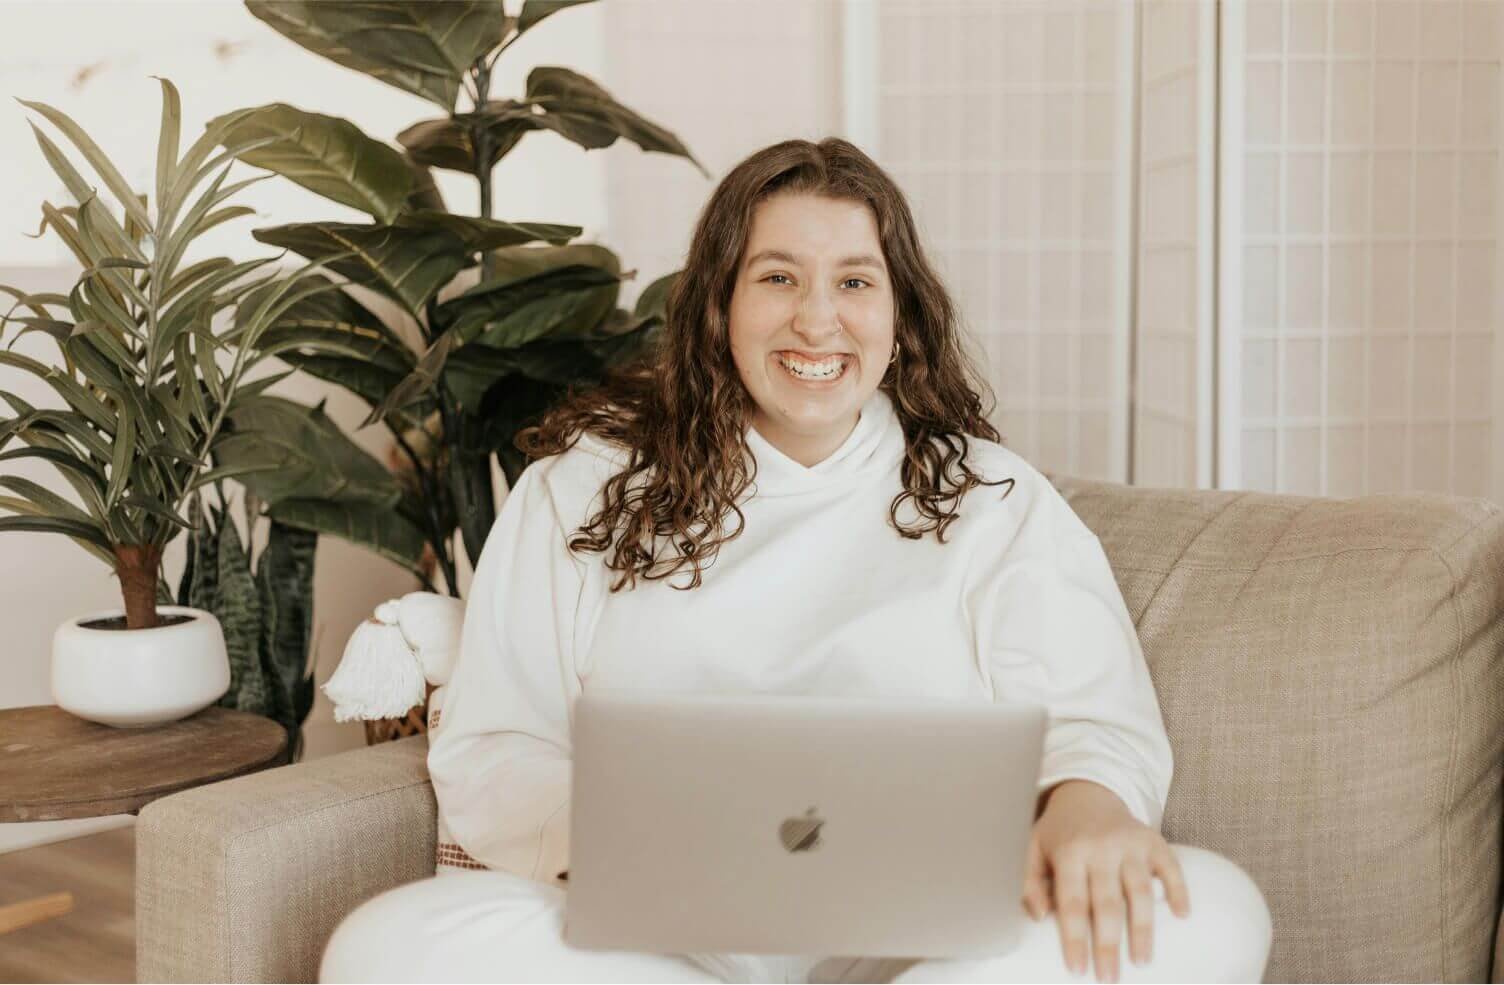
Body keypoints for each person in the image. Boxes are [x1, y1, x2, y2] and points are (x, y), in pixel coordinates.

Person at [319, 138, 1272, 984]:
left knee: (1217, 906)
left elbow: (1096, 722)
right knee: (386, 946)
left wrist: (1091, 809)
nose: (818, 321)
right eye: (778, 278)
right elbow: (497, 745)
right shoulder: (583, 490)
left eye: (855, 281)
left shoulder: (993, 497)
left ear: (899, 316)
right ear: (719, 306)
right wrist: (641, 845)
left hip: (924, 953)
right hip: (656, 947)